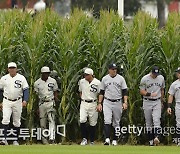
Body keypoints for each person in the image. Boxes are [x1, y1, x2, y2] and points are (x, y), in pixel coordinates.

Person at [98, 63, 128, 146]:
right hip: (107, 101)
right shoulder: (105, 79)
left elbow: (125, 91)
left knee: (116, 122)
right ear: (109, 70)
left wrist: (125, 102)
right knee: (107, 120)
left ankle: (115, 139)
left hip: (118, 102)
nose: (114, 70)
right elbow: (101, 92)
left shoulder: (121, 79)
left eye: (115, 69)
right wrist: (99, 103)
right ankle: (107, 139)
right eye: (113, 69)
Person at [0, 62, 29, 145]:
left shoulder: (21, 78)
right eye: (10, 68)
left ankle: (15, 140)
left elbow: (26, 89)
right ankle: (3, 139)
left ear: (16, 69)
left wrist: (25, 100)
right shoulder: (4, 78)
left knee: (16, 121)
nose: (12, 69)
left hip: (18, 101)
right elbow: (0, 90)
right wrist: (0, 101)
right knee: (5, 119)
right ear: (8, 69)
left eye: (13, 68)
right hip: (7, 100)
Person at [139, 66, 165, 146]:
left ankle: (156, 137)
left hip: (157, 101)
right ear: (151, 72)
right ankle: (150, 140)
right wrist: (150, 94)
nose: (155, 75)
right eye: (154, 74)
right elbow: (141, 91)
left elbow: (162, 89)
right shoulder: (144, 79)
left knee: (156, 119)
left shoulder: (161, 78)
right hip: (147, 101)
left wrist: (162, 101)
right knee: (148, 122)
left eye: (156, 74)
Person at [34, 66, 59, 145]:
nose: (46, 75)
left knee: (51, 120)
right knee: (42, 123)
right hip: (42, 103)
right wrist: (37, 107)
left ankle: (52, 138)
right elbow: (36, 96)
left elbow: (55, 91)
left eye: (48, 73)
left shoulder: (53, 81)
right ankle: (44, 140)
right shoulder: (37, 83)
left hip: (50, 102)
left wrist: (56, 99)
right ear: (42, 73)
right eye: (45, 73)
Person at [78, 68, 101, 145]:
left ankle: (91, 140)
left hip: (93, 103)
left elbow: (100, 93)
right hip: (84, 103)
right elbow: (80, 91)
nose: (85, 76)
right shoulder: (82, 82)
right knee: (82, 119)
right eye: (85, 74)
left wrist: (99, 103)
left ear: (91, 75)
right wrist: (82, 98)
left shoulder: (97, 82)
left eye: (87, 75)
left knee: (93, 122)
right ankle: (84, 138)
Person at [167, 67, 180, 146]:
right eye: (178, 72)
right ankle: (179, 140)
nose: (178, 74)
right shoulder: (174, 84)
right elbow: (171, 95)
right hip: (178, 104)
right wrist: (169, 106)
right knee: (178, 123)